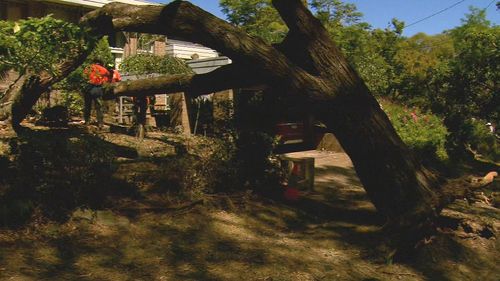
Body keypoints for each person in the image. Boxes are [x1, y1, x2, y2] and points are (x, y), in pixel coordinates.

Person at [83, 60, 110, 128]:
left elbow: (84, 76)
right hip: (97, 88)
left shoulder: (89, 67)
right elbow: (108, 74)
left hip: (88, 88)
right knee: (99, 106)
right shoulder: (103, 69)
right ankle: (100, 123)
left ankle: (87, 121)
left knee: (87, 105)